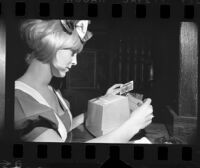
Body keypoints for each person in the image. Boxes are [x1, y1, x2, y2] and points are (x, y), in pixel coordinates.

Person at [14, 19, 154, 143]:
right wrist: (133, 125)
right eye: (73, 53)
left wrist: (103, 99)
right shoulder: (19, 100)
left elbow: (64, 129)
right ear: (53, 46)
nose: (75, 62)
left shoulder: (52, 90)